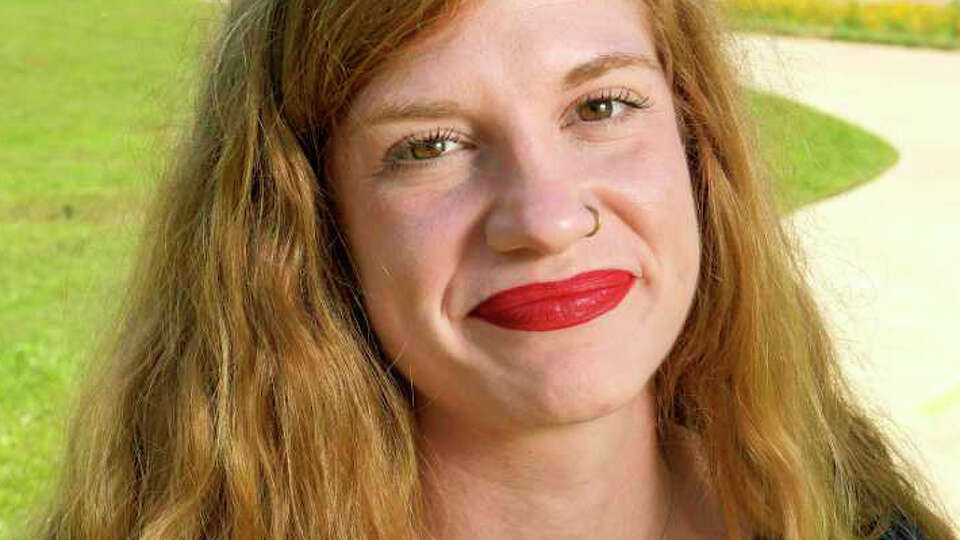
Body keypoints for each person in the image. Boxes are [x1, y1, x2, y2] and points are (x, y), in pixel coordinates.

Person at [32, 0, 957, 538]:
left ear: (695, 143)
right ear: (310, 223)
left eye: (601, 105)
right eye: (429, 143)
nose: (547, 219)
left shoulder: (863, 520)